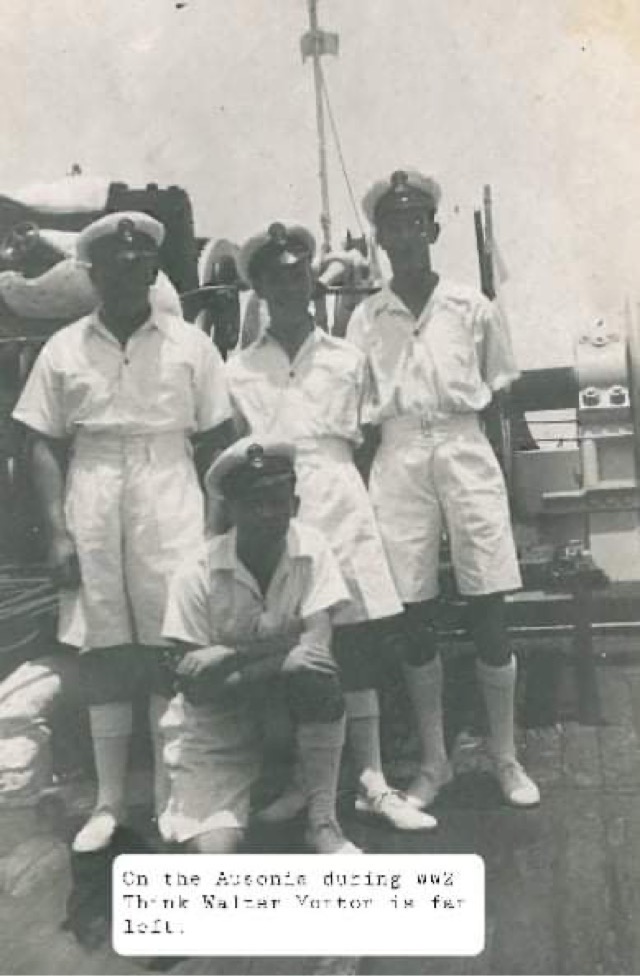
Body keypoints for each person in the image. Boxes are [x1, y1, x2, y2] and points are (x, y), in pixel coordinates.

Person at [12, 211, 234, 853]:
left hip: (169, 485)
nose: (127, 274)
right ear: (93, 274)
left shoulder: (191, 344)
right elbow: (42, 444)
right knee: (104, 647)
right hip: (95, 484)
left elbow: (218, 440)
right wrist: (56, 533)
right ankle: (109, 802)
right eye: (113, 265)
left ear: (154, 270)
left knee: (171, 643)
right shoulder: (64, 348)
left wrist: (216, 530)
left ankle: (170, 798)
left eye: (139, 263)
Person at [225, 221, 436, 832]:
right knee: (294, 643)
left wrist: (351, 498)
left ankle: (372, 779)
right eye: (275, 279)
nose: (290, 288)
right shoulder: (237, 368)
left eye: (298, 276)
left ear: (311, 282)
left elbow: (369, 440)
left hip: (341, 495)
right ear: (258, 288)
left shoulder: (349, 357)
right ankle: (303, 780)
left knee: (357, 639)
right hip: (274, 508)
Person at [346, 169, 540, 810]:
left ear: (432, 228)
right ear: (379, 237)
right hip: (398, 452)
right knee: (413, 610)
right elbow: (360, 407)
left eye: (414, 222)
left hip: (463, 443)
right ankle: (435, 763)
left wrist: (500, 474)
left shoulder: (473, 307)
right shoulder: (366, 316)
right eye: (391, 225)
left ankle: (506, 758)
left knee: (489, 600)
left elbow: (501, 390)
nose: (404, 234)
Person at [159, 436, 360, 854]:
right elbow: (196, 689)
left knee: (316, 676)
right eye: (253, 503)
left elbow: (318, 648)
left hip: (283, 717)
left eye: (278, 501)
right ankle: (255, 797)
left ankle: (321, 818)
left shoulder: (312, 548)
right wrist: (277, 659)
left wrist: (230, 655)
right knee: (215, 855)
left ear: (296, 505)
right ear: (229, 510)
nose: (268, 515)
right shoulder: (195, 573)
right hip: (216, 731)